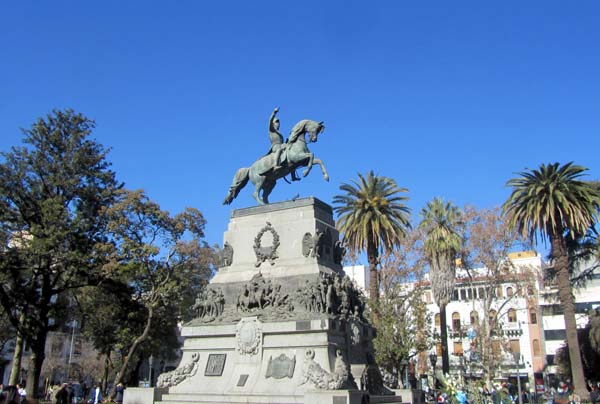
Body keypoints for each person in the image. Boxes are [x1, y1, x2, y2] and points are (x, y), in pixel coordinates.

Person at [266, 107, 298, 181]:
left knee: (292, 154)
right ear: (273, 124)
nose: (278, 124)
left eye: (278, 122)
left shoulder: (279, 133)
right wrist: (274, 112)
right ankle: (275, 165)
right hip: (275, 146)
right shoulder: (271, 130)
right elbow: (270, 120)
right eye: (276, 122)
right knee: (279, 150)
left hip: (282, 145)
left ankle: (293, 176)